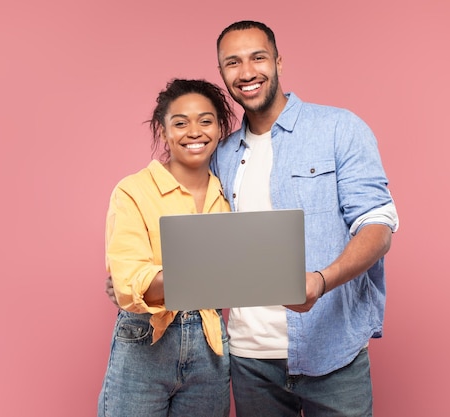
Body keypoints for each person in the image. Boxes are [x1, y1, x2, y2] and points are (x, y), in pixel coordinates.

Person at [106, 20, 399, 417]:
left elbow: (378, 227)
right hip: (249, 361)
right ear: (223, 73)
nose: (246, 72)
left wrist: (322, 280)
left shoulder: (339, 129)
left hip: (332, 352)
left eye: (257, 58)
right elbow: (198, 233)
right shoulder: (220, 155)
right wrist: (140, 282)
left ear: (278, 61)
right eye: (232, 63)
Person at [97, 78, 236, 417]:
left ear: (219, 129)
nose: (194, 131)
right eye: (180, 122)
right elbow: (130, 282)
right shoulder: (133, 191)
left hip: (210, 344)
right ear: (163, 130)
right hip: (146, 338)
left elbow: (241, 277)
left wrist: (165, 278)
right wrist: (216, 272)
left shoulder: (229, 196)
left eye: (205, 120)